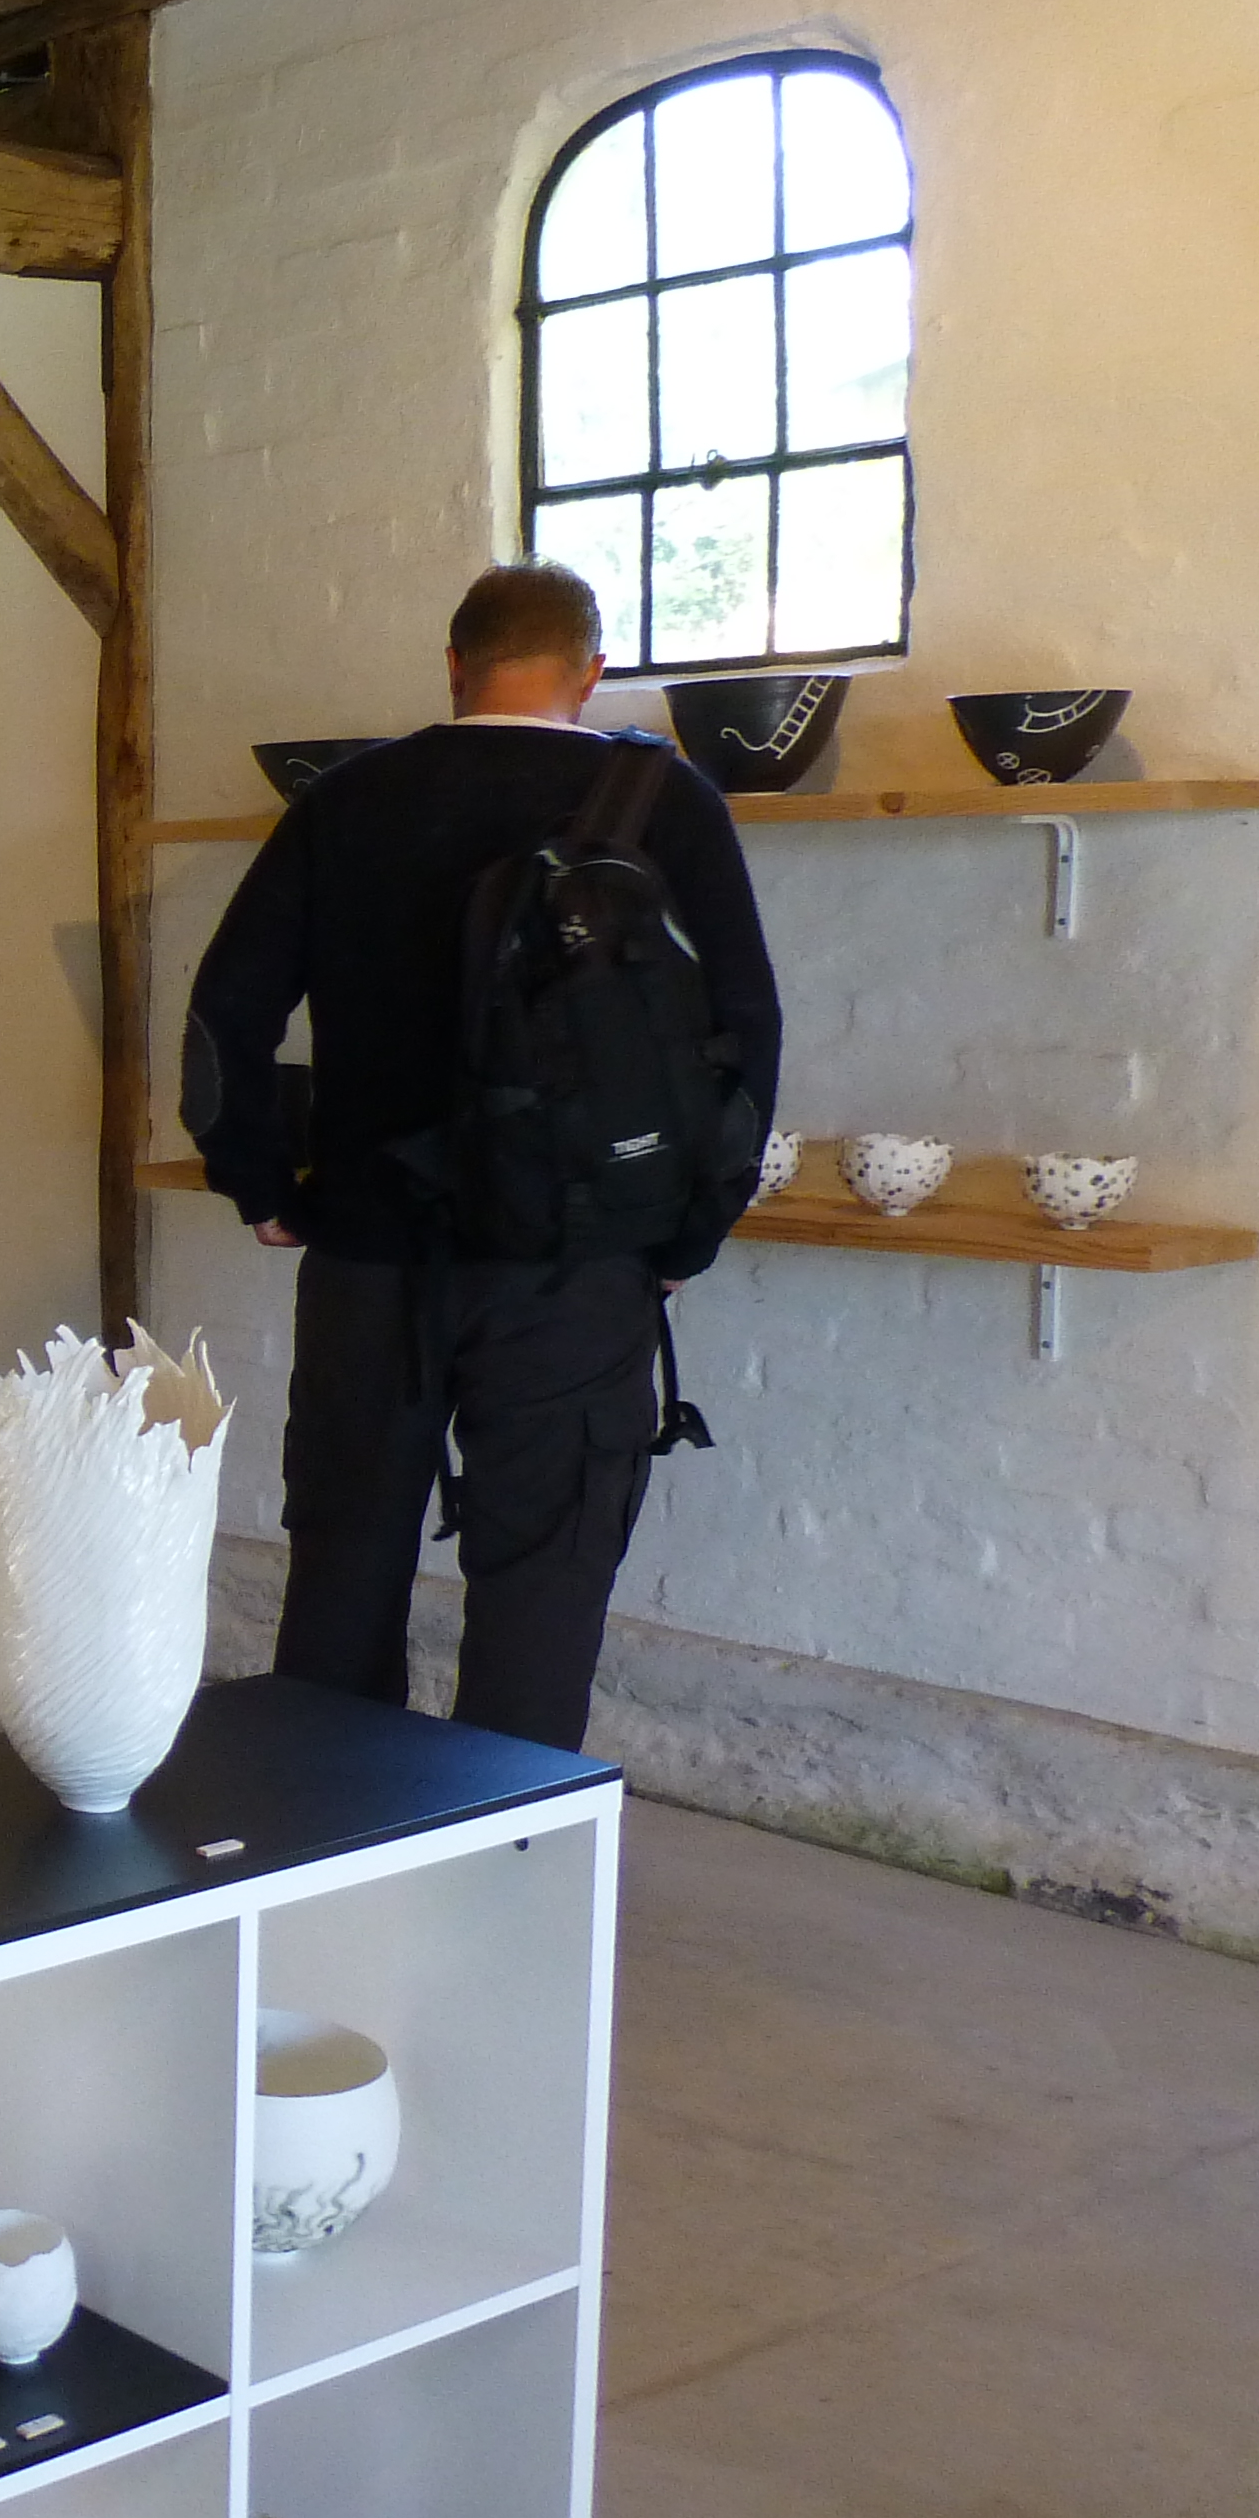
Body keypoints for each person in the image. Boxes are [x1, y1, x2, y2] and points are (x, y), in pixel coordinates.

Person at [180, 561, 781, 1752]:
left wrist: (260, 1182)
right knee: (546, 1578)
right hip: (578, 1261)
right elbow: (746, 1035)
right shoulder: (667, 802)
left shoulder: (348, 799)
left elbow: (225, 1015)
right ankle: (512, 1846)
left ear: (454, 664)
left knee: (344, 1561)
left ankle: (334, 1820)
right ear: (590, 672)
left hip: (370, 1255)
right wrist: (688, 1235)